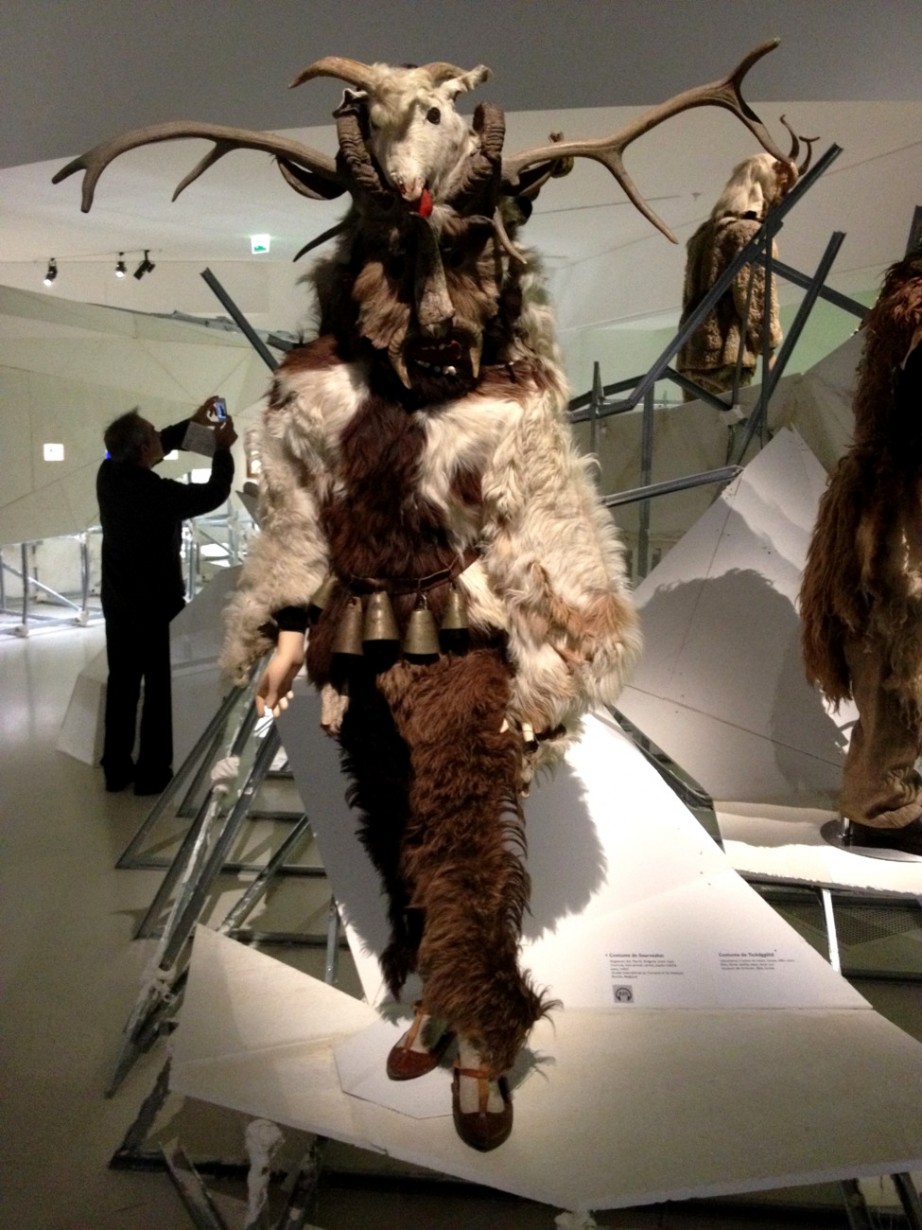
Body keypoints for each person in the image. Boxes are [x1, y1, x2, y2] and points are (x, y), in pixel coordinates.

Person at [800, 248, 922, 857]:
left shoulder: (907, 306)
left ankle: (886, 797)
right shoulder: (914, 310)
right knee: (893, 641)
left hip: (896, 487)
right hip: (897, 496)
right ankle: (881, 808)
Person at [97, 399, 236, 794]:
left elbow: (161, 442)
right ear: (143, 449)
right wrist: (222, 450)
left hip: (118, 602)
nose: (160, 435)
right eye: (152, 433)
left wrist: (194, 422)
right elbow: (213, 494)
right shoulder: (153, 493)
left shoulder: (108, 474)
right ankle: (152, 772)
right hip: (157, 606)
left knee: (123, 684)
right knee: (160, 688)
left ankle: (116, 769)